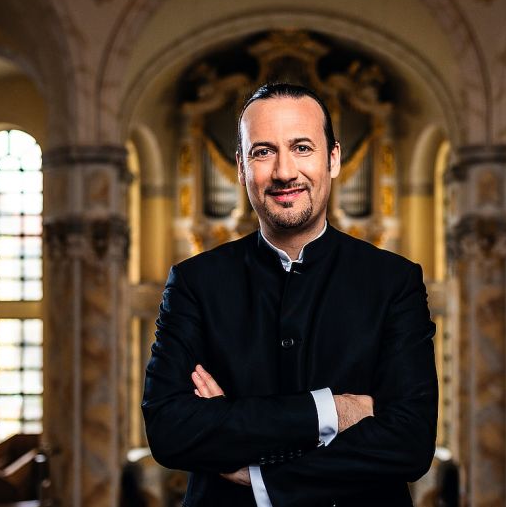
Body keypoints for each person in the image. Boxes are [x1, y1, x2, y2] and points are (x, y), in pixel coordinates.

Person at [142, 82, 438, 506]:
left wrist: (255, 470)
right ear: (241, 168)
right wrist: (332, 412)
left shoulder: (395, 282)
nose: (284, 172)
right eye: (263, 152)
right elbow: (169, 429)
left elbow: (409, 443)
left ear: (333, 159)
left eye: (302, 147)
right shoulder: (194, 282)